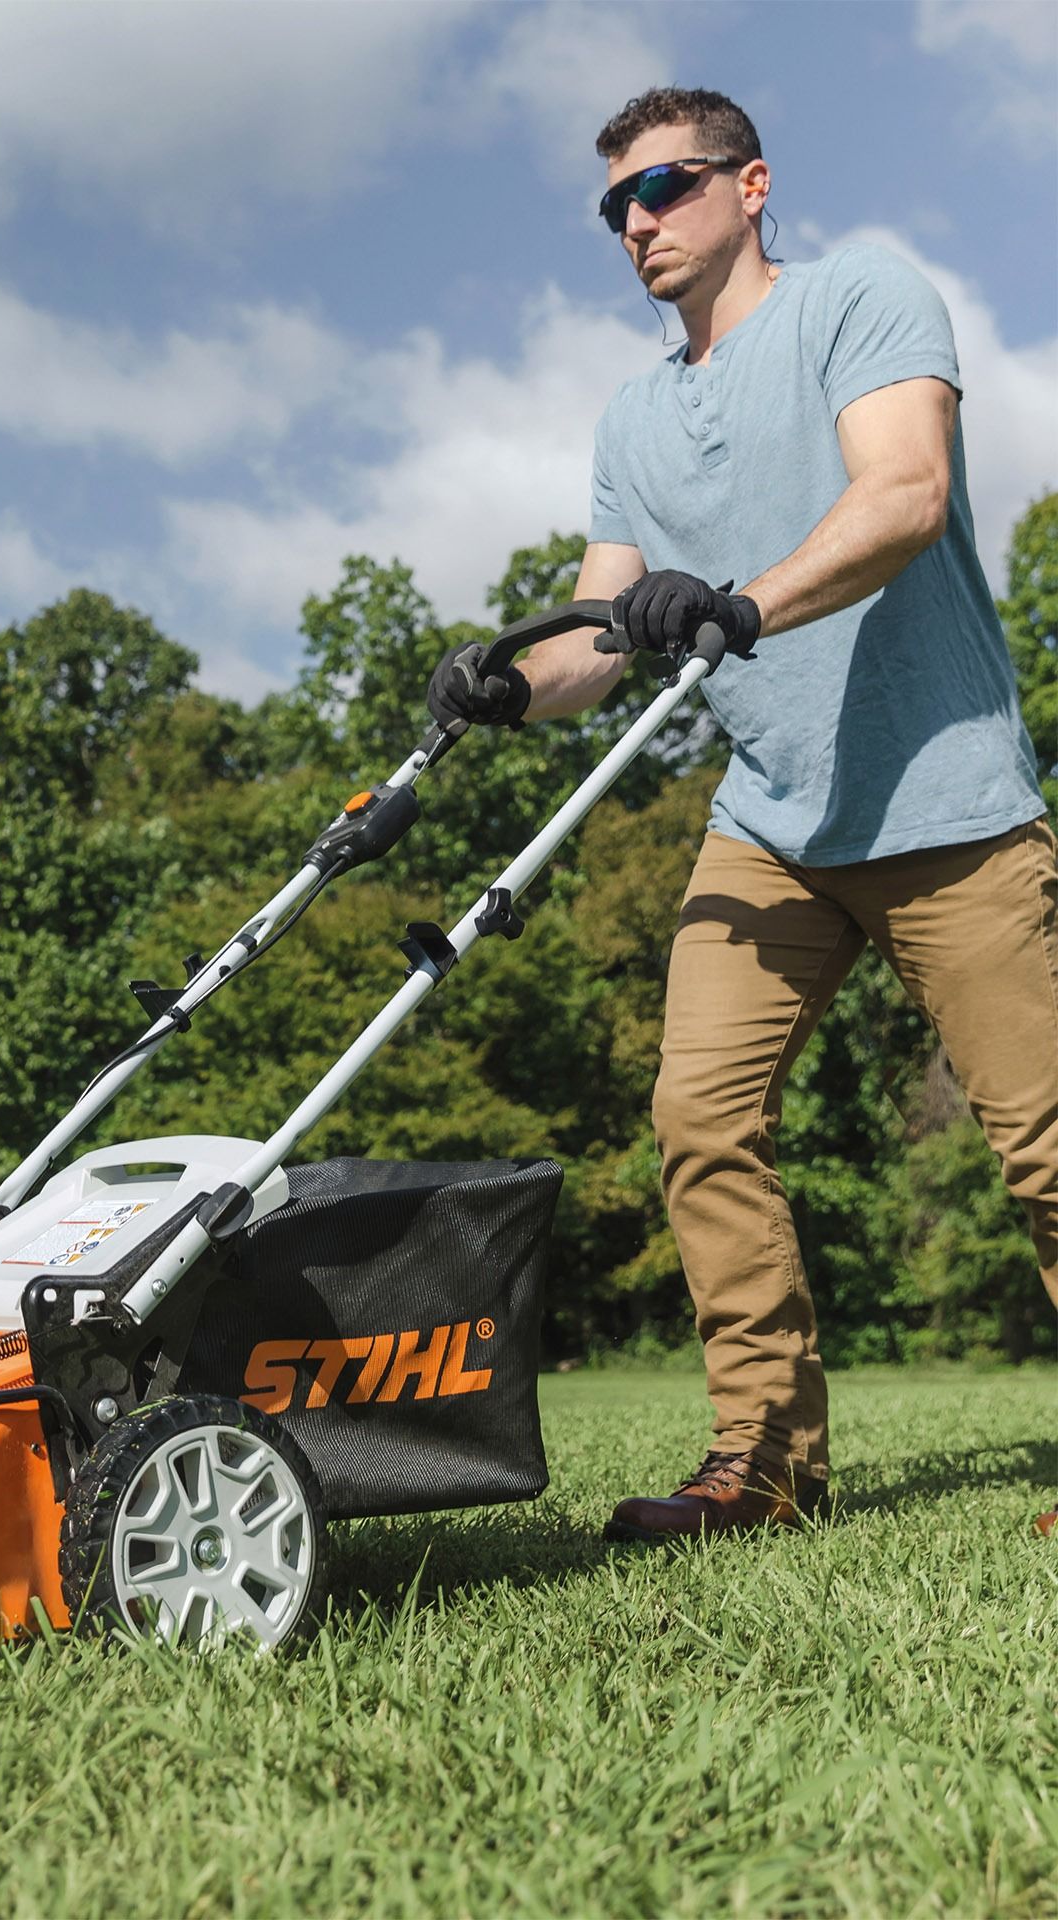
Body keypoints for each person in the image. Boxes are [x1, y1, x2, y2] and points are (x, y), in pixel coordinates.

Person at [426, 86, 1057, 1542]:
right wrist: (507, 684)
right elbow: (601, 631)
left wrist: (739, 603)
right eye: (615, 207)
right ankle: (762, 1463)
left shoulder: (859, 298)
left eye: (664, 188)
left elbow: (904, 491)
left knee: (1041, 1139)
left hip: (944, 799)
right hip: (772, 819)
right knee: (700, 1117)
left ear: (751, 185)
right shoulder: (635, 413)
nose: (637, 224)